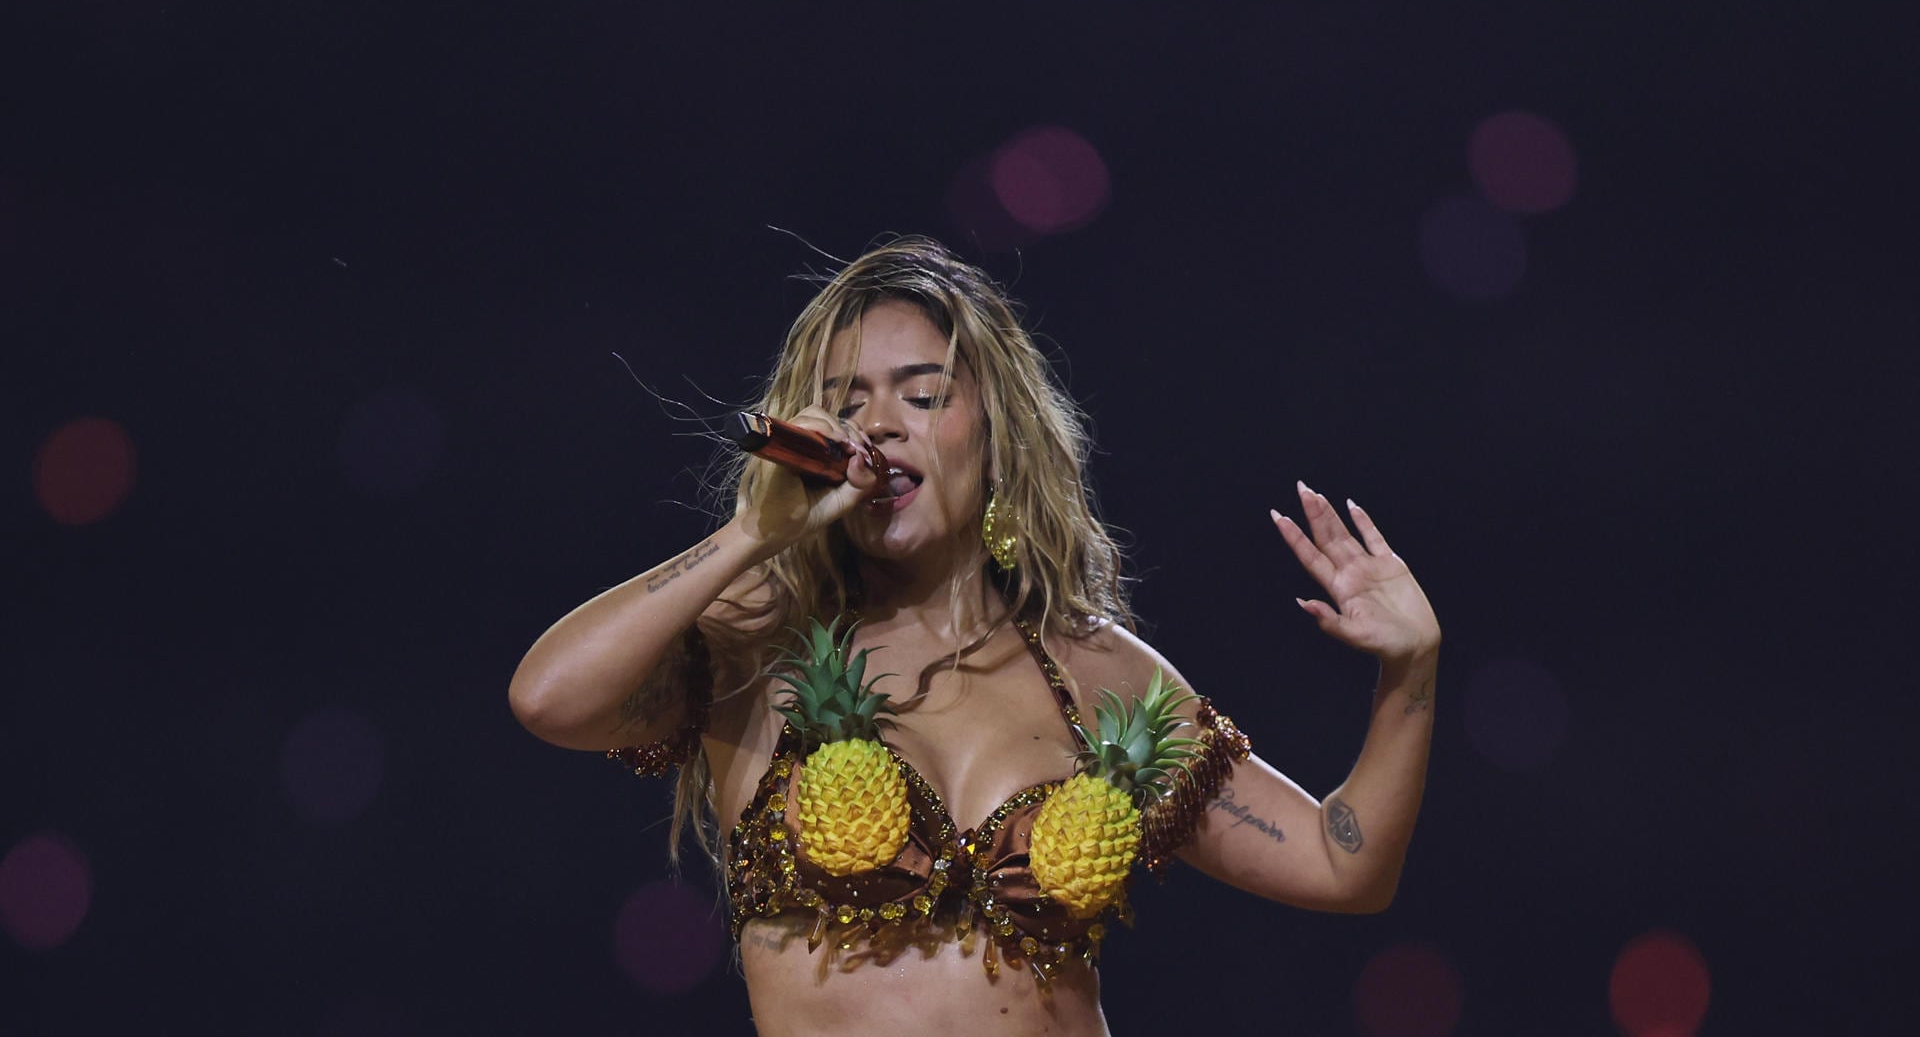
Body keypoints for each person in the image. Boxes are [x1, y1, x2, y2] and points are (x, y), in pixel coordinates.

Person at [509, 237, 1441, 1036]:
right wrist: (754, 534)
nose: (880, 425)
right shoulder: (755, 650)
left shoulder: (1094, 669)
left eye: (922, 396)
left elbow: (1342, 865)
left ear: (994, 430)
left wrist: (1411, 668)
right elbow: (548, 700)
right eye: (847, 402)